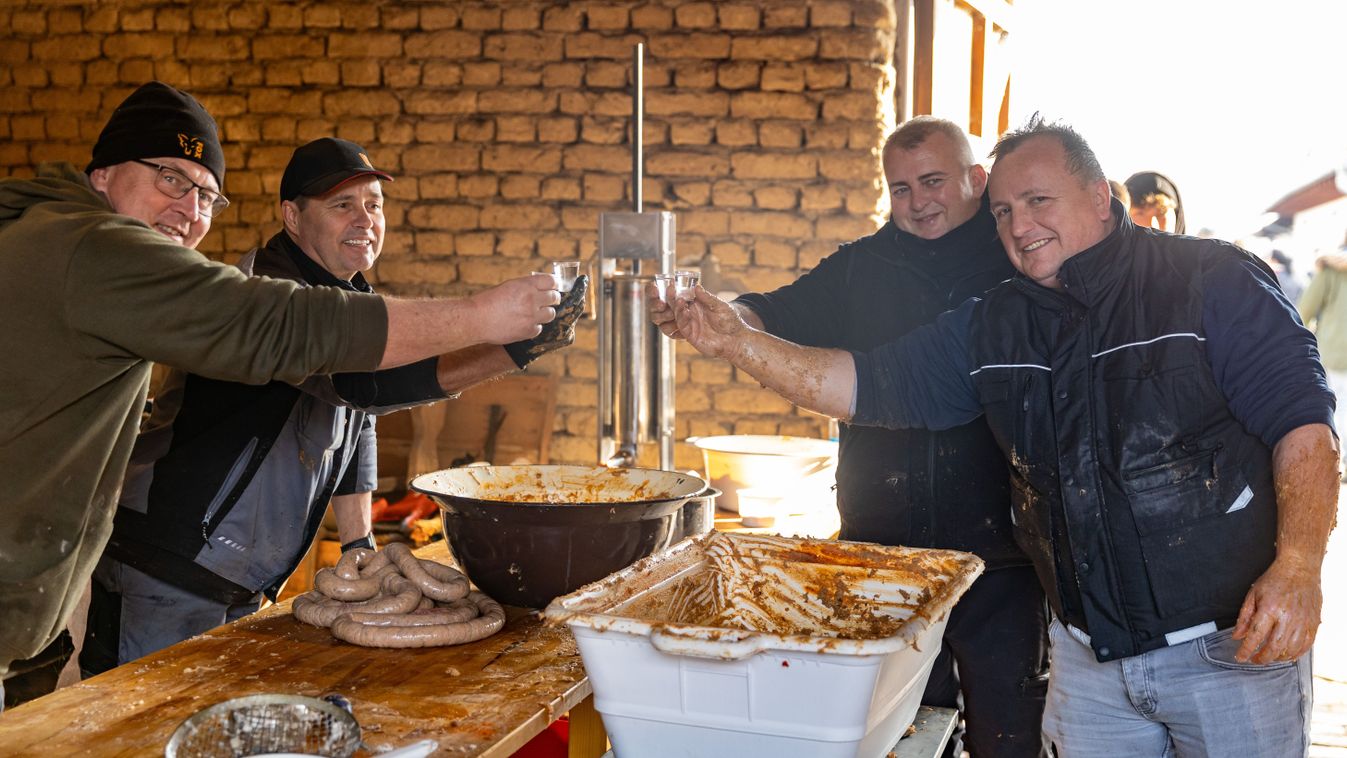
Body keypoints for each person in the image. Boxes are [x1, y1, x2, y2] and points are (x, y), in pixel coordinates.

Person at [666, 116, 1338, 757]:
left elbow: (1304, 427)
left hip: (1226, 644)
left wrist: (1298, 568)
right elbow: (862, 384)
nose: (1020, 225)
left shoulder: (1210, 279)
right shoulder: (996, 321)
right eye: (1004, 212)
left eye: (1038, 200)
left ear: (1098, 195)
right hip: (1090, 657)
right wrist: (734, 341)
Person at [0, 82, 560, 697]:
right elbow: (353, 380)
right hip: (174, 565)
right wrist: (486, 323)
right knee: (148, 725)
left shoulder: (349, 299)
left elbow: (357, 424)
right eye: (169, 178)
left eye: (205, 194)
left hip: (196, 578)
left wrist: (358, 538)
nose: (189, 210)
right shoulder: (184, 268)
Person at [650, 116, 1047, 758]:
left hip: (1003, 556)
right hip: (882, 552)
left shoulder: (1019, 259)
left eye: (933, 181)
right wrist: (723, 318)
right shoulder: (861, 266)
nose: (917, 202)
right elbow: (773, 310)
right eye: (901, 189)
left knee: (1010, 730)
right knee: (899, 730)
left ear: (977, 179)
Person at [1299, 249, 1347, 437]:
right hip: (1337, 354)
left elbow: (1304, 311)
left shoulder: (1333, 268)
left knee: (1340, 408)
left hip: (1337, 352)